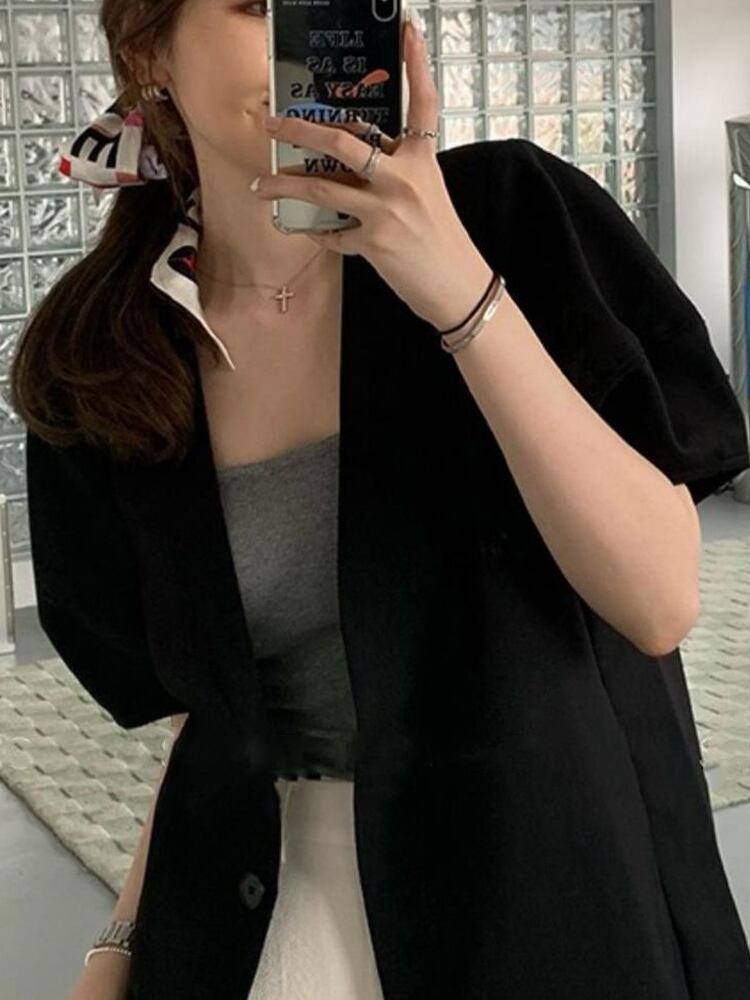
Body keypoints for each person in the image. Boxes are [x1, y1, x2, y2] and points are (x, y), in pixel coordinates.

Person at [14, 0, 750, 997]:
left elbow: (658, 600)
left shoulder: (513, 214)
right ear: (152, 56)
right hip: (279, 914)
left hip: (551, 886)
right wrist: (117, 946)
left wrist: (456, 288)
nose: (306, 34)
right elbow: (218, 718)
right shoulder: (104, 359)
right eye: (254, 5)